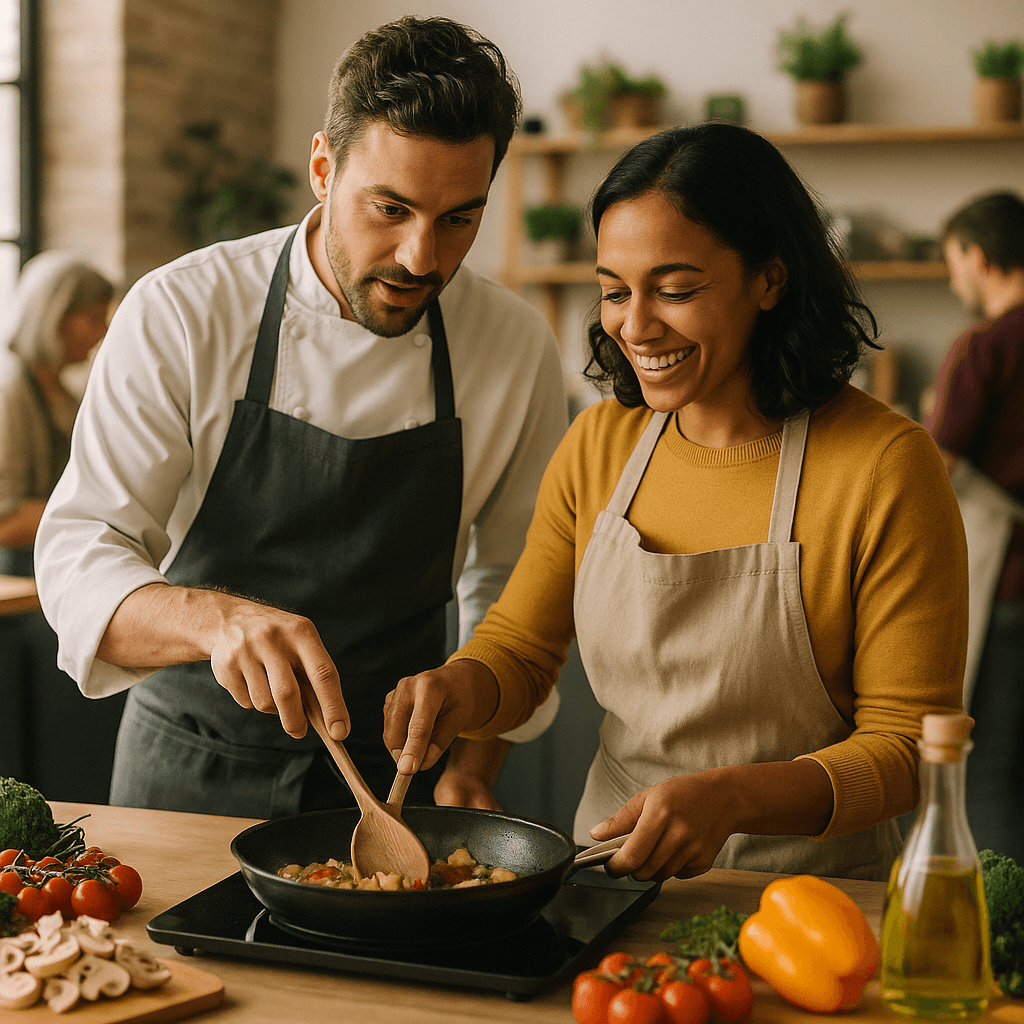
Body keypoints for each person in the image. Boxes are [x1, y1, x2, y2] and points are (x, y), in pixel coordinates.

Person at [383, 123, 968, 883]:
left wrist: (733, 798)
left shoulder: (885, 467)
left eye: (676, 290)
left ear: (770, 279)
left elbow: (908, 748)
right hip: (609, 878)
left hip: (814, 904)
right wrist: (460, 686)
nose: (636, 326)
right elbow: (522, 650)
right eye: (614, 292)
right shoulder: (599, 445)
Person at [34, 15, 567, 819]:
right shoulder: (183, 311)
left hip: (398, 787)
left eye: (459, 218)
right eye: (390, 208)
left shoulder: (514, 344)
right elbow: (80, 555)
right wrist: (214, 621)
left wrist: (473, 764)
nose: (422, 257)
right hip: (188, 774)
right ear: (323, 168)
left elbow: (515, 591)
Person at [926, 190, 1024, 863]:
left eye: (953, 261)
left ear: (980, 257)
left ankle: (1003, 920)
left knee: (989, 767)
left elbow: (935, 463)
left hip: (1009, 581)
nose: (952, 279)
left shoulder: (985, 347)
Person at [0, 252, 114, 575]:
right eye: (94, 318)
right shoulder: (9, 391)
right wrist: (96, 512)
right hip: (17, 575)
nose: (103, 331)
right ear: (55, 317)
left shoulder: (65, 393)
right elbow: (4, 518)